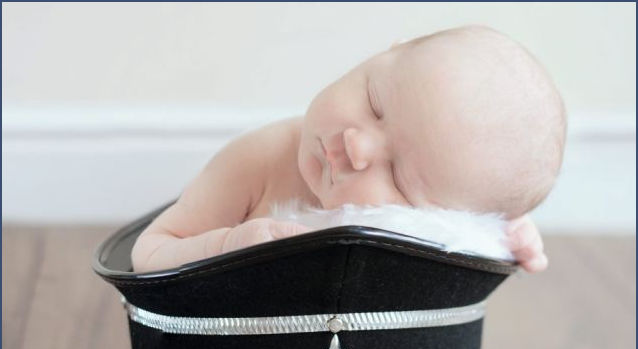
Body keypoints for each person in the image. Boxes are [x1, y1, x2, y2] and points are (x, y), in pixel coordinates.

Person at [131, 25, 566, 274]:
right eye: (374, 102)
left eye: (396, 176)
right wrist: (226, 246)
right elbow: (149, 252)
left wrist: (502, 231)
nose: (356, 145)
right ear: (381, 54)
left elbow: (464, 212)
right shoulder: (255, 161)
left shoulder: (441, 209)